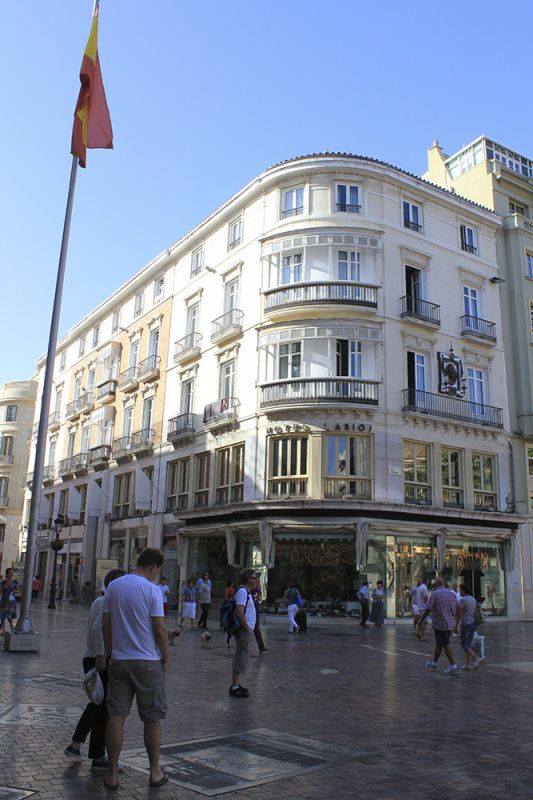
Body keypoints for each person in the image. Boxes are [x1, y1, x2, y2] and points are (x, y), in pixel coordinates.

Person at [103, 547, 169, 790]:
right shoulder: (152, 590)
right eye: (157, 571)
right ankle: (154, 772)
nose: (156, 575)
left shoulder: (114, 586)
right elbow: (159, 629)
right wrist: (165, 658)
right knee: (152, 718)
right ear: (152, 567)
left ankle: (112, 775)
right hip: (147, 661)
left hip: (119, 659)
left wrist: (111, 652)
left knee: (116, 716)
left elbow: (106, 624)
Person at [64, 568, 126, 769]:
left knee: (98, 704)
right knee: (103, 709)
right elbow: (98, 629)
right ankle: (98, 756)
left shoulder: (101, 600)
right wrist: (100, 656)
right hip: (98, 658)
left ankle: (76, 744)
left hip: (94, 657)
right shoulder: (107, 602)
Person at [420, 577, 461, 676]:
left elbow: (428, 609)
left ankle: (454, 667)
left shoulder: (435, 594)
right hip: (450, 623)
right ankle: (434, 664)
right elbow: (458, 608)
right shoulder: (451, 594)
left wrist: (421, 619)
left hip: (440, 624)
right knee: (439, 644)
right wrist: (455, 622)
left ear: (436, 584)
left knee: (445, 644)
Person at [229, 569, 258, 697]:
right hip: (243, 629)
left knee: (241, 655)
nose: (256, 580)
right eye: (254, 577)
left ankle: (236, 684)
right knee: (241, 656)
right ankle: (234, 687)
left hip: (246, 628)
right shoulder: (242, 592)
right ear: (248, 579)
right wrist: (246, 628)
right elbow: (239, 612)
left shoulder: (246, 592)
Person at [454, 583, 483, 670]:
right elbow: (475, 612)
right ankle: (467, 664)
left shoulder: (463, 600)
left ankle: (476, 658)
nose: (459, 591)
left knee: (464, 645)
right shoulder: (472, 599)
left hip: (465, 624)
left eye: (460, 589)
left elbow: (459, 614)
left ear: (463, 590)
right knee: (468, 645)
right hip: (473, 624)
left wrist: (456, 626)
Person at [251, 575, 267, 653]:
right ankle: (261, 647)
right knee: (255, 629)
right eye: (256, 580)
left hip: (255, 610)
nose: (258, 582)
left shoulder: (256, 589)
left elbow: (259, 597)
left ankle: (261, 646)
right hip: (251, 611)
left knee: (256, 629)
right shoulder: (249, 590)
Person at [0, 568, 19, 634]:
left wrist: (13, 590)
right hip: (4, 601)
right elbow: (1, 591)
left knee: (9, 616)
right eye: (10, 573)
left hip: (11, 601)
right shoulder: (3, 582)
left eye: (12, 573)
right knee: (2, 616)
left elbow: (17, 590)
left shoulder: (14, 582)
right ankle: (3, 629)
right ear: (7, 574)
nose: (11, 574)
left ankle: (11, 627)